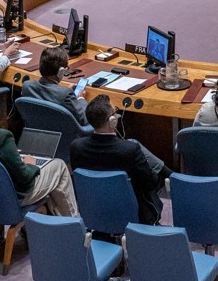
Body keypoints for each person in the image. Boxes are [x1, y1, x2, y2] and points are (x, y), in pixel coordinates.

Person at [0, 91, 78, 216]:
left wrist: (11, 156)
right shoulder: (1, 137)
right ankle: (74, 225)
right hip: (10, 198)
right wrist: (30, 165)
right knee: (59, 166)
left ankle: (44, 224)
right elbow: (24, 177)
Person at [69, 94, 169, 226]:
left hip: (95, 209)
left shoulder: (76, 146)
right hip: (133, 213)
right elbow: (151, 183)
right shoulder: (130, 149)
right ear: (112, 121)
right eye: (115, 112)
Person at [19, 47, 88, 126]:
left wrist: (64, 91)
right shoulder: (65, 94)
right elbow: (83, 118)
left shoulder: (27, 86)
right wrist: (81, 98)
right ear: (61, 71)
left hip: (36, 132)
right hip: (64, 135)